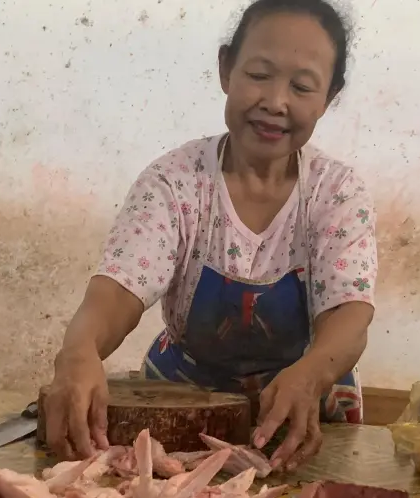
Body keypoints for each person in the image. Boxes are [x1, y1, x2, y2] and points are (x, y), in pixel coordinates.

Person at [45, 0, 377, 472]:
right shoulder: (174, 182)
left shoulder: (337, 192)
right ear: (226, 69)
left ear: (328, 97)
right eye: (259, 75)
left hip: (304, 403)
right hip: (182, 402)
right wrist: (79, 351)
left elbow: (349, 313)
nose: (275, 101)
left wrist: (311, 374)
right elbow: (118, 289)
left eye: (302, 86)